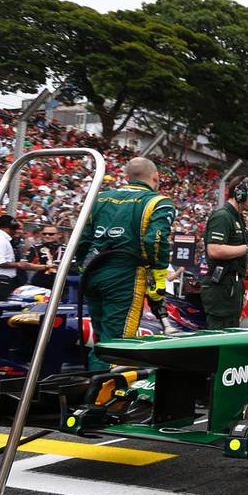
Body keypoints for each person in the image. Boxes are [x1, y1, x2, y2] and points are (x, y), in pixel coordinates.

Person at [75, 157, 176, 370]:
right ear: (156, 176)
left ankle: (94, 383)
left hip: (93, 273)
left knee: (101, 339)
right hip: (125, 278)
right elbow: (155, 240)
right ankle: (108, 389)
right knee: (118, 345)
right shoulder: (158, 202)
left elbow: (81, 240)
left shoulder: (100, 198)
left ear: (127, 177)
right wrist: (158, 278)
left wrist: (84, 268)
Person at [201, 176, 248, 329]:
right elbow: (214, 250)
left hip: (232, 287)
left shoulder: (237, 217)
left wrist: (239, 293)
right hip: (221, 287)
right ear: (240, 193)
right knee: (220, 335)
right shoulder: (223, 216)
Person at [0, 215, 50, 306]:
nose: (18, 231)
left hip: (0, 282)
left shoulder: (1, 239)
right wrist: (18, 264)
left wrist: (45, 266)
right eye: (16, 228)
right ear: (8, 227)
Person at [27, 224, 66, 289]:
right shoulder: (35, 248)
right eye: (44, 234)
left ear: (59, 235)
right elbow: (27, 265)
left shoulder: (66, 249)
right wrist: (45, 266)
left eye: (51, 234)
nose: (47, 236)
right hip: (40, 282)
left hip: (61, 283)